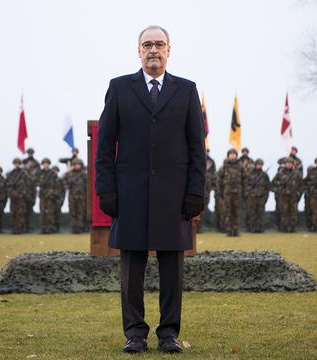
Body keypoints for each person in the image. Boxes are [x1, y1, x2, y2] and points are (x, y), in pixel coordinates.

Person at [95, 25, 205, 354]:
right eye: (147, 45)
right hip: (130, 196)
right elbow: (104, 146)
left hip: (174, 197)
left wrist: (195, 192)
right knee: (131, 270)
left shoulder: (187, 91)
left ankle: (168, 333)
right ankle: (135, 333)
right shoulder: (119, 88)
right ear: (138, 51)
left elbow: (197, 149)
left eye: (159, 44)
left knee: (172, 269)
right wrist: (107, 191)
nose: (153, 50)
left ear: (169, 50)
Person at [271, 158, 301, 232]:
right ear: (285, 164)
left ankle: (292, 227)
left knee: (293, 212)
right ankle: (284, 227)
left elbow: (301, 184)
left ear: (292, 164)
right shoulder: (280, 173)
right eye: (287, 163)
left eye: (290, 163)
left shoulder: (297, 173)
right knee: (284, 212)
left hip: (293, 196)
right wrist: (279, 187)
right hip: (283, 196)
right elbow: (273, 183)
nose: (289, 164)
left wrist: (299, 192)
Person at [219, 149, 243, 237]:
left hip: (237, 193)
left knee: (236, 212)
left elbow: (244, 180)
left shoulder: (240, 166)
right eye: (231, 154)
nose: (232, 156)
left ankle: (236, 230)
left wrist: (244, 192)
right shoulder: (224, 167)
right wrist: (220, 192)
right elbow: (219, 180)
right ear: (228, 155)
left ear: (236, 155)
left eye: (234, 154)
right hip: (227, 193)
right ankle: (229, 230)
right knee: (227, 212)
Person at [243, 159, 270, 232]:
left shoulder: (264, 175)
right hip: (252, 196)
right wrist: (248, 192)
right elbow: (245, 185)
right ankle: (252, 228)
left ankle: (260, 228)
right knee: (252, 213)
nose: (259, 166)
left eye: (261, 165)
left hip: (261, 196)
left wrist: (265, 196)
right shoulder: (250, 174)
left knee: (260, 213)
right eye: (258, 164)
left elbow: (267, 186)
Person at [63, 158, 87, 233]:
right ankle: (73, 228)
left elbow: (87, 185)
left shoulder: (84, 174)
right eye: (75, 164)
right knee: (72, 212)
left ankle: (80, 228)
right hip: (72, 196)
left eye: (79, 164)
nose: (77, 166)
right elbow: (63, 181)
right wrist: (69, 171)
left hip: (82, 197)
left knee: (81, 212)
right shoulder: (69, 174)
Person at [6, 158, 29, 234]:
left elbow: (27, 185)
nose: (16, 164)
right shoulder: (10, 174)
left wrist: (22, 194)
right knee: (13, 213)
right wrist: (12, 193)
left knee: (21, 213)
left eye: (18, 163)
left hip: (21, 197)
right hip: (13, 197)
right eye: (15, 163)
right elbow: (7, 185)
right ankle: (13, 228)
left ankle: (20, 228)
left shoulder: (24, 174)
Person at [37, 158, 58, 234]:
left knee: (50, 213)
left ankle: (50, 228)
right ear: (42, 164)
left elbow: (57, 185)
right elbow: (36, 182)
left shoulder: (53, 174)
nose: (46, 165)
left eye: (47, 163)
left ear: (49, 164)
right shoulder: (39, 173)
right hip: (42, 196)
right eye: (44, 163)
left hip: (50, 196)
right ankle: (43, 228)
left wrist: (54, 193)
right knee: (42, 212)